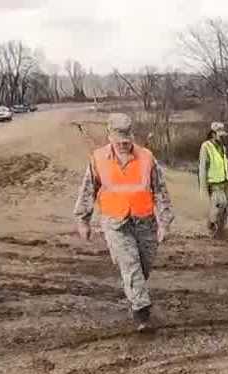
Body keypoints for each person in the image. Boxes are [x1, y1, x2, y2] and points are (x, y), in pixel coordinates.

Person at [74, 113, 174, 332]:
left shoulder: (147, 157)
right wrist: (83, 220)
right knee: (130, 264)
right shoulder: (98, 158)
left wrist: (164, 222)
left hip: (145, 222)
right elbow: (88, 190)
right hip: (115, 223)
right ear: (109, 136)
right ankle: (142, 314)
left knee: (143, 266)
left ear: (132, 135)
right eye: (118, 137)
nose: (123, 142)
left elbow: (160, 190)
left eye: (127, 136)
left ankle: (135, 294)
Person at [198, 122, 228, 238]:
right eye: (220, 134)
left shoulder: (222, 147)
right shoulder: (206, 146)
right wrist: (203, 186)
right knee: (220, 204)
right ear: (213, 134)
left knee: (226, 207)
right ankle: (212, 225)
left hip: (225, 182)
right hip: (214, 182)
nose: (222, 136)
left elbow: (225, 165)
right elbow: (202, 167)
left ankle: (220, 231)